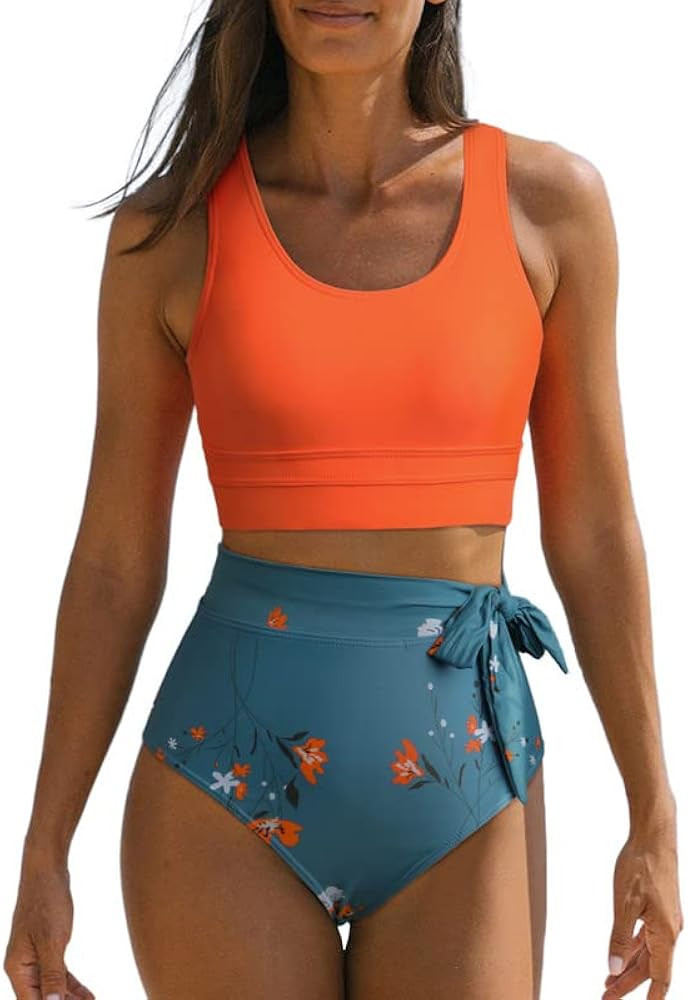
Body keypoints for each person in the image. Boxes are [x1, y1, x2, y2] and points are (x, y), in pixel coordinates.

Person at [4, 1, 682, 998]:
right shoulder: (173, 228)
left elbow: (595, 532)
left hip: (463, 782)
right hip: (218, 787)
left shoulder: (546, 205)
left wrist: (654, 809)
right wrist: (44, 844)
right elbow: (113, 559)